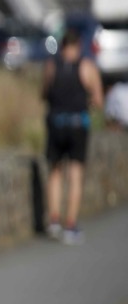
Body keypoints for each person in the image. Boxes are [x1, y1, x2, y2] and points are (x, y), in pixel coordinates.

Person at [42, 25, 103, 245]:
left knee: (55, 172)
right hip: (78, 126)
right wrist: (87, 104)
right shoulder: (87, 67)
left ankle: (54, 221)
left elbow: (44, 93)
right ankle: (70, 225)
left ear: (62, 46)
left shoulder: (51, 66)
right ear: (78, 45)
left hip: (56, 124)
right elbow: (98, 100)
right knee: (75, 175)